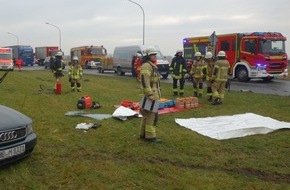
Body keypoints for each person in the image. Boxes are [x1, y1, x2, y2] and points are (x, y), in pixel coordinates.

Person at [139, 48, 162, 143]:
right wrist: (149, 94)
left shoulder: (151, 66)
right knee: (151, 116)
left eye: (155, 55)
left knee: (146, 115)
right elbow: (145, 81)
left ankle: (143, 134)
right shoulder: (147, 66)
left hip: (152, 94)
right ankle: (150, 136)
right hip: (150, 95)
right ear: (148, 56)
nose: (155, 56)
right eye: (153, 55)